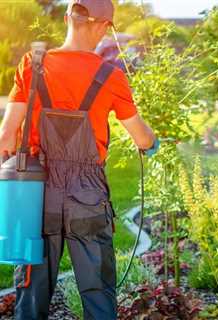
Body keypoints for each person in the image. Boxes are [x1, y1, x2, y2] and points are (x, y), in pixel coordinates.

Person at [0, 1, 158, 319]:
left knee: (30, 296)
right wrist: (152, 144)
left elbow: (5, 139)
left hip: (36, 194)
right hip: (87, 196)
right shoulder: (110, 76)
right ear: (103, 26)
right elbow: (142, 138)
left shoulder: (32, 64)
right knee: (99, 295)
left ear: (69, 18)